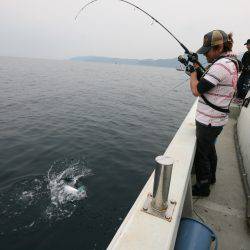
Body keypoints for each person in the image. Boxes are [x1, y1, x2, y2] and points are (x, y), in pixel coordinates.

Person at [187, 30, 239, 196]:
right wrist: (197, 66)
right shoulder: (229, 62)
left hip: (209, 120)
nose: (206, 55)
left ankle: (203, 187)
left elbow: (197, 90)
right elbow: (210, 84)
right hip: (216, 119)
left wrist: (192, 71)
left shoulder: (221, 65)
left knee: (202, 154)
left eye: (207, 51)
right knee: (209, 150)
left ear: (219, 47)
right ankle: (211, 178)